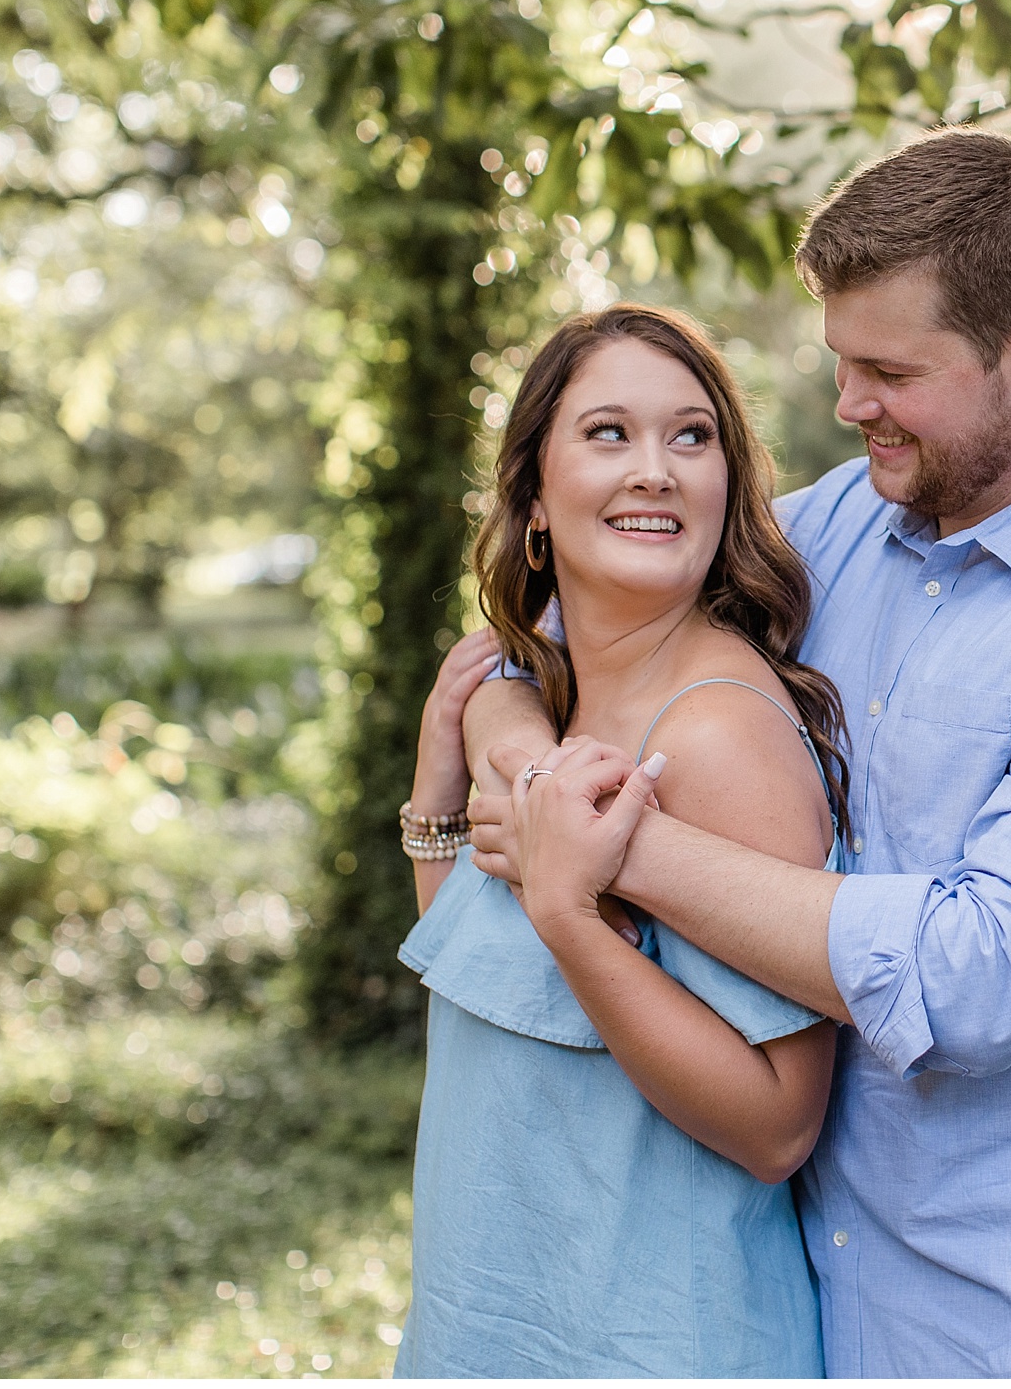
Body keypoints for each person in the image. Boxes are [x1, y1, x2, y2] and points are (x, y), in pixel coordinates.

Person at [467, 128, 1011, 1378]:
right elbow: (555, 625)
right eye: (841, 363)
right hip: (843, 1319)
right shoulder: (841, 527)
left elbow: (981, 977)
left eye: (888, 369)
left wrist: (606, 847)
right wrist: (522, 748)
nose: (849, 404)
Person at [392, 304, 847, 1377]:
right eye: (609, 434)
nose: (656, 469)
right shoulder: (551, 702)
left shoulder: (716, 734)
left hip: (656, 1337)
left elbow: (780, 1124)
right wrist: (436, 790)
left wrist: (567, 913)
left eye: (691, 437)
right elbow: (489, 987)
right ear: (533, 499)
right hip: (497, 1314)